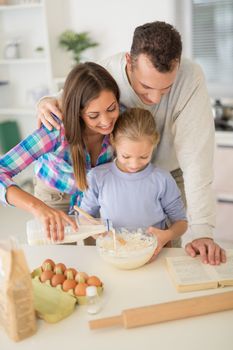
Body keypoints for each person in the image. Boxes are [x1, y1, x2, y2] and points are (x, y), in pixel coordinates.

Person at [36, 21, 225, 265]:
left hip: (167, 173)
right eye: (146, 86)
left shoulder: (190, 79)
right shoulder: (108, 71)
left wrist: (202, 232)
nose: (155, 98)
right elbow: (71, 99)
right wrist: (45, 101)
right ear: (129, 61)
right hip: (114, 175)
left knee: (164, 256)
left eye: (166, 88)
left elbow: (197, 160)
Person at [0, 62, 120, 241]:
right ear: (78, 112)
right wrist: (38, 208)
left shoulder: (123, 125)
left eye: (112, 108)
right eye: (94, 115)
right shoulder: (55, 130)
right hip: (54, 196)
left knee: (99, 258)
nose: (106, 121)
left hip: (95, 199)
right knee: (59, 261)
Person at [80, 108, 188, 259]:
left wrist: (167, 235)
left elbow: (181, 222)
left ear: (154, 145)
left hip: (154, 255)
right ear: (112, 140)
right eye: (126, 156)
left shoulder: (162, 179)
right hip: (114, 254)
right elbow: (84, 217)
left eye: (144, 156)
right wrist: (93, 229)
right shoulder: (98, 177)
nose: (134, 164)